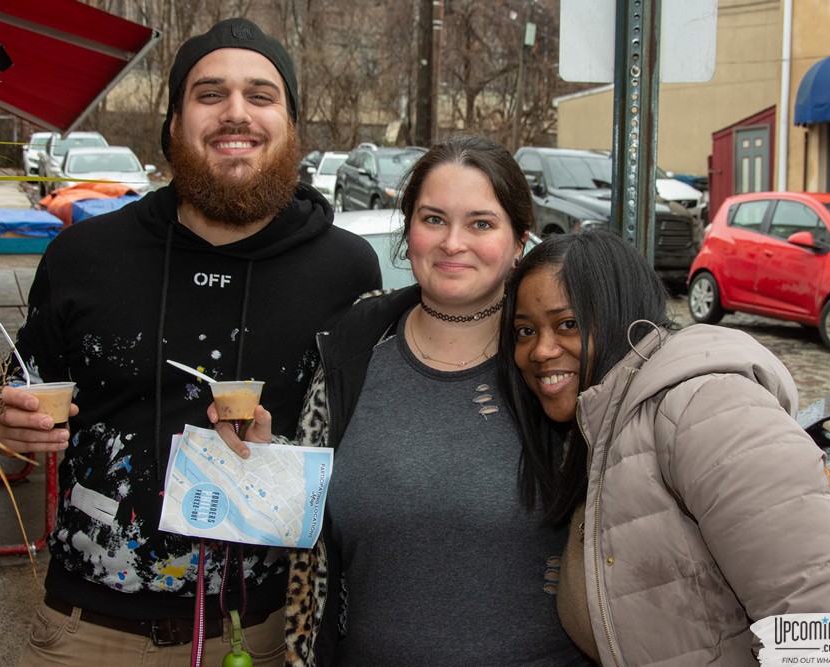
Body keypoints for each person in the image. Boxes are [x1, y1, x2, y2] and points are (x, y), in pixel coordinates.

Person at [0, 18, 381, 667]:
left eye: (260, 95)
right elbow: (17, 386)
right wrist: (5, 415)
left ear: (291, 126)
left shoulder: (347, 270)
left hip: (262, 634)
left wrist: (279, 458)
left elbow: (367, 457)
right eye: (209, 93)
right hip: (87, 632)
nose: (236, 112)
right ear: (173, 124)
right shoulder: (84, 255)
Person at [237, 134, 590, 666]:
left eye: (481, 223)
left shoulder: (559, 359)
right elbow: (322, 527)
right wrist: (266, 461)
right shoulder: (354, 346)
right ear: (409, 231)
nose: (453, 243)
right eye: (433, 219)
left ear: (519, 239)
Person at [498, 230, 830, 666]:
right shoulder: (594, 426)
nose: (540, 350)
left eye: (568, 324)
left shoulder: (705, 407)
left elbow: (826, 617)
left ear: (619, 313)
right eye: (525, 331)